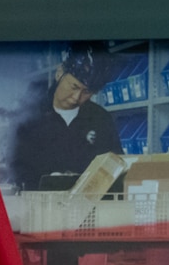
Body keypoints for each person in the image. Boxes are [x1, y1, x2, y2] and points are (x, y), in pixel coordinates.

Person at [11, 49, 123, 192]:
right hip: (40, 204)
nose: (76, 97)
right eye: (74, 86)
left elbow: (116, 163)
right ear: (59, 73)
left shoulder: (101, 118)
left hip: (87, 207)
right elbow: (17, 167)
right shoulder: (29, 116)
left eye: (86, 92)